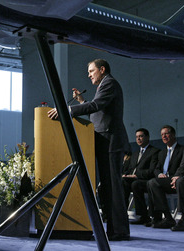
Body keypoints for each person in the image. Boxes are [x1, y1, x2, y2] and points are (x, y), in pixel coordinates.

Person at [48, 58, 130, 241]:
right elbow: (98, 111)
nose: (89, 75)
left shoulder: (109, 83)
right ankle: (114, 229)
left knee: (113, 187)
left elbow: (96, 106)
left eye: (91, 71)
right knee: (108, 187)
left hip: (111, 141)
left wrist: (67, 109)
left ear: (102, 69)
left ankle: (120, 230)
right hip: (104, 141)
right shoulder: (105, 86)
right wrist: (82, 101)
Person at [122, 128, 159, 225]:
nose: (138, 139)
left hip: (146, 180)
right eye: (137, 137)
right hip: (132, 179)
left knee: (135, 184)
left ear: (147, 137)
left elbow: (151, 171)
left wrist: (136, 175)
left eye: (141, 136)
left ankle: (143, 216)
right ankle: (121, 213)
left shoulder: (154, 151)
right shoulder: (135, 154)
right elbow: (130, 168)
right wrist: (126, 174)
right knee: (122, 182)